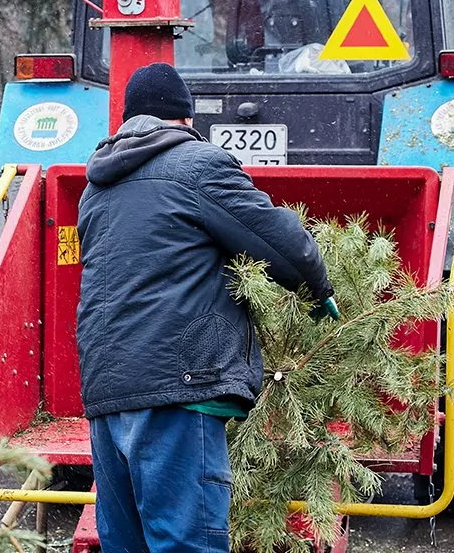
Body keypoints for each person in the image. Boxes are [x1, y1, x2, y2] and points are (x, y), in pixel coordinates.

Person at [77, 62, 339, 553]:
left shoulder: (97, 186)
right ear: (184, 118)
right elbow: (280, 243)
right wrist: (318, 287)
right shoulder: (199, 164)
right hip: (179, 386)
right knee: (187, 544)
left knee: (127, 546)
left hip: (107, 394)